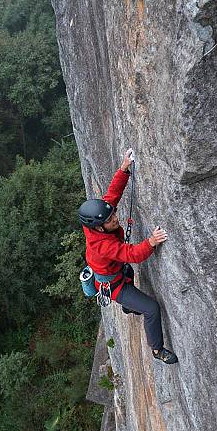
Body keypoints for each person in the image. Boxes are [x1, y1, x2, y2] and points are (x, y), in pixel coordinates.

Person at [78, 149, 178, 365]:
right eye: (110, 218)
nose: (115, 217)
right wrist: (151, 241)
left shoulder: (97, 225)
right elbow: (131, 254)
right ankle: (158, 350)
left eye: (112, 214)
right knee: (151, 308)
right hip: (115, 287)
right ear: (100, 228)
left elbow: (112, 196)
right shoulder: (102, 245)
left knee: (128, 271)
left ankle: (128, 306)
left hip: (117, 272)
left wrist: (123, 168)